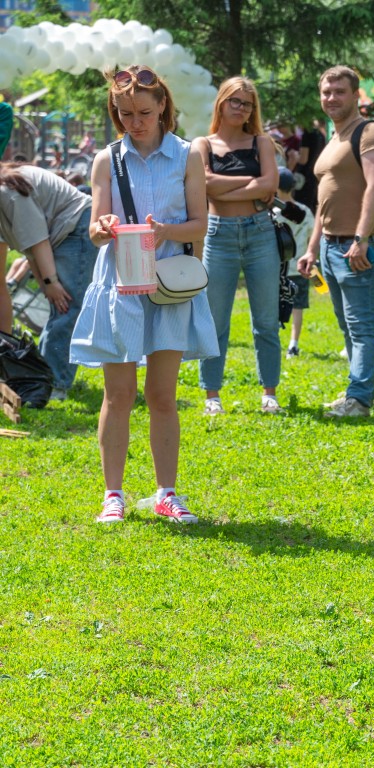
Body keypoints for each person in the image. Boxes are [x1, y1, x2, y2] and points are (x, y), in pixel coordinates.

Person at [68, 65, 217, 524]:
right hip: (120, 284)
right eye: (125, 113)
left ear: (163, 108)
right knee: (118, 393)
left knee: (162, 395)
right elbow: (95, 229)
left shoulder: (188, 155)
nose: (135, 122)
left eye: (144, 113)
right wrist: (104, 227)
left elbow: (200, 225)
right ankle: (113, 495)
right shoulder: (105, 160)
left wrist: (165, 230)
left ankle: (166, 493)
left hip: (169, 286)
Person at [296, 65, 374, 419]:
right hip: (330, 247)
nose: (331, 97)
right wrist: (310, 249)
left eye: (339, 91)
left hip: (359, 247)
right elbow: (324, 202)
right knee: (346, 324)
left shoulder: (369, 134)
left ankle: (360, 400)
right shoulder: (333, 138)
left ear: (355, 96)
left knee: (363, 325)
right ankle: (356, 389)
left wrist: (361, 238)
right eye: (326, 92)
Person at [195, 77, 282, 416]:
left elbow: (271, 183)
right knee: (215, 320)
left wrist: (221, 189)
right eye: (235, 101)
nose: (241, 108)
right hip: (219, 235)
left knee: (266, 320)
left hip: (259, 232)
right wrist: (251, 183)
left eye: (247, 104)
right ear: (221, 102)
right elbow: (202, 182)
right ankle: (212, 395)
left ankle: (269, 392)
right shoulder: (204, 143)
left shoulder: (261, 142)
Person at [0, 162, 99, 398]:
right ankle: (43, 376)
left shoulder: (9, 193)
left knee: (66, 305)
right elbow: (29, 248)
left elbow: (39, 240)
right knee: (60, 305)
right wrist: (46, 284)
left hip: (77, 226)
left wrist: (51, 281)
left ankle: (56, 382)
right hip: (59, 234)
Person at [273, 167, 315, 358]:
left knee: (273, 305)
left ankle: (272, 340)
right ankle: (293, 344)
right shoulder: (305, 211)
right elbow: (311, 239)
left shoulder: (273, 212)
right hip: (300, 268)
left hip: (276, 270)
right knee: (297, 306)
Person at [294, 119, 327, 212]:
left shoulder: (307, 134)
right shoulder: (320, 134)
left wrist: (295, 156)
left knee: (302, 206)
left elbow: (303, 159)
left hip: (304, 176)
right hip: (315, 175)